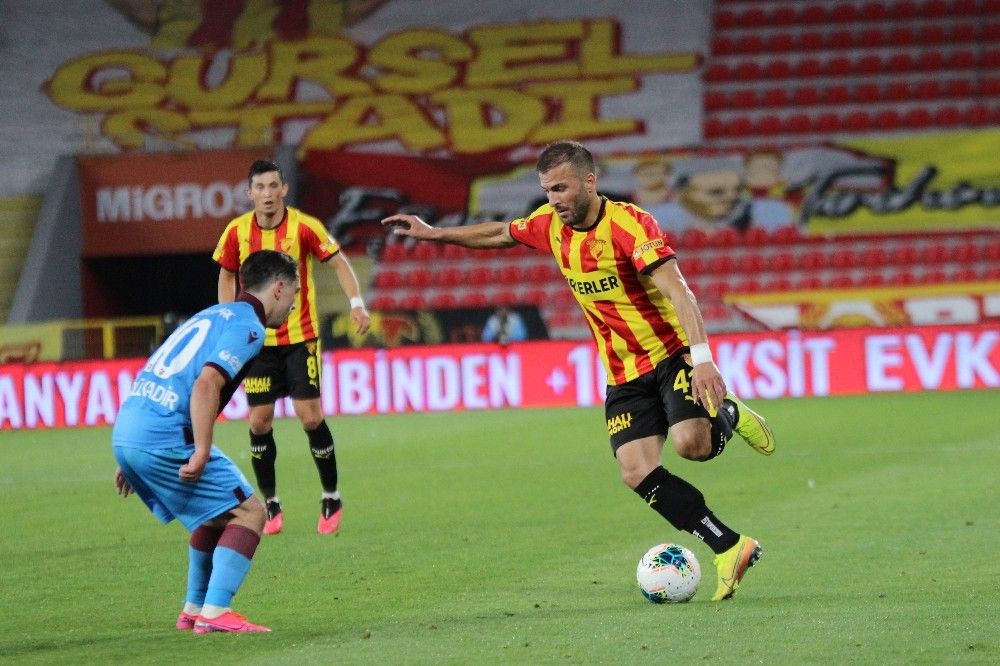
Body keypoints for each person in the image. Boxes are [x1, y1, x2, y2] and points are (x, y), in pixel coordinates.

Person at [382, 140, 776, 601]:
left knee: (692, 445)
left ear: (590, 181)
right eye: (547, 190)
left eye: (562, 188)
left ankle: (727, 413)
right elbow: (499, 233)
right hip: (622, 373)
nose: (554, 200)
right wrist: (433, 234)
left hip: (670, 354)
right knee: (636, 471)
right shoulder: (549, 226)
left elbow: (679, 291)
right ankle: (728, 546)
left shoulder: (631, 224)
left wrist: (703, 359)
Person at [112, 249, 300, 634]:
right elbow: (206, 384)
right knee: (250, 512)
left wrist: (131, 452)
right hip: (163, 434)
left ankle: (194, 609)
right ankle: (215, 612)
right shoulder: (249, 328)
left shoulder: (210, 315)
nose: (295, 305)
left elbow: (159, 371)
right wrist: (200, 451)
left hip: (132, 427)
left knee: (216, 513)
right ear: (279, 288)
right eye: (295, 294)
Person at [214, 159, 371, 536]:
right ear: (250, 193)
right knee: (259, 421)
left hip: (301, 337)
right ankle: (270, 503)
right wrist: (228, 318)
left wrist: (356, 303)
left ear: (284, 189)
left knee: (311, 418)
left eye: (273, 186)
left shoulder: (304, 226)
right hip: (256, 342)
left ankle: (331, 496)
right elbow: (226, 274)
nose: (267, 194)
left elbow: (339, 262)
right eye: (260, 187)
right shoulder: (236, 231)